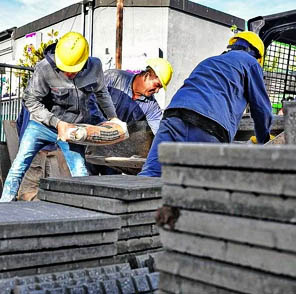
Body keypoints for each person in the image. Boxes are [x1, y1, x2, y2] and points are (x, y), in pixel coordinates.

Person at [0, 32, 121, 202]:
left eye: (72, 70)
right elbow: (30, 100)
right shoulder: (44, 68)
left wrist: (113, 118)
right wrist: (56, 123)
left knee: (80, 172)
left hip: (73, 130)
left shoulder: (95, 66)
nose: (67, 73)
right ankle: (3, 211)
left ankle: (84, 214)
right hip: (41, 126)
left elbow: (102, 93)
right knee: (19, 166)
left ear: (84, 61)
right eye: (64, 68)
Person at [139, 31, 273, 177]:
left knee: (151, 174)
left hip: (173, 116)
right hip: (209, 125)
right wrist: (264, 140)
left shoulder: (210, 61)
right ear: (258, 56)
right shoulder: (251, 62)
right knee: (204, 187)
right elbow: (261, 109)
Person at [87, 58, 173, 175]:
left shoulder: (152, 107)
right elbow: (89, 99)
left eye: (160, 88)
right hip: (89, 140)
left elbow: (160, 133)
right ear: (147, 75)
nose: (157, 91)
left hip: (113, 152)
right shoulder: (113, 78)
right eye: (157, 85)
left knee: (111, 184)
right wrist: (103, 125)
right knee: (85, 178)